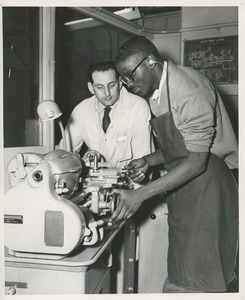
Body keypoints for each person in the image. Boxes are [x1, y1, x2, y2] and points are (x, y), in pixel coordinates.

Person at [111, 35, 238, 293]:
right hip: (186, 185)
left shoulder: (190, 91)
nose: (126, 85)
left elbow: (197, 160)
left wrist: (141, 194)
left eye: (129, 76)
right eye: (122, 79)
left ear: (150, 62)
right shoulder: (157, 91)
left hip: (210, 184)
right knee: (182, 266)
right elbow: (180, 145)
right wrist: (149, 160)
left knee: (204, 273)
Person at [61, 61, 153, 169]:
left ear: (120, 83)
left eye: (111, 85)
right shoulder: (81, 110)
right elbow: (64, 154)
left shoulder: (138, 107)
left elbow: (143, 159)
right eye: (100, 87)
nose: (107, 93)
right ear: (91, 88)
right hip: (94, 183)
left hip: (129, 182)